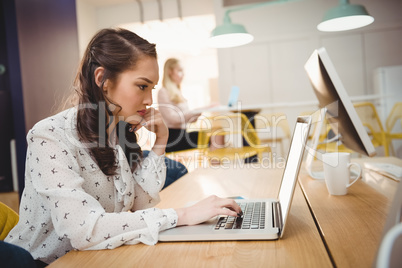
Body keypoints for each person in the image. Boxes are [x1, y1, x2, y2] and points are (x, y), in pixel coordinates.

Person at [4, 28, 241, 265]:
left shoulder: (117, 132)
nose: (149, 100)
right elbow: (83, 229)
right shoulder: (49, 136)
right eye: (141, 86)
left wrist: (160, 142)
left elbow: (141, 202)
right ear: (102, 79)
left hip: (100, 257)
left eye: (152, 88)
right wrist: (183, 215)